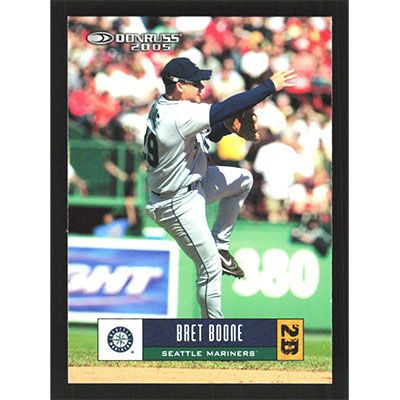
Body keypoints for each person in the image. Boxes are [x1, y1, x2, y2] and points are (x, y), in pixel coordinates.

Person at [143, 57, 296, 318]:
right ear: (179, 86)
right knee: (209, 268)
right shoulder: (178, 115)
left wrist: (224, 129)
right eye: (195, 83)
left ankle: (220, 245)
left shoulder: (164, 105)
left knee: (243, 180)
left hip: (191, 183)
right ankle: (214, 331)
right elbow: (225, 109)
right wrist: (268, 87)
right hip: (174, 202)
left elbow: (206, 134)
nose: (201, 86)